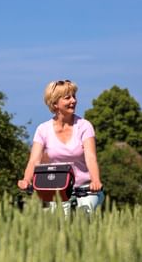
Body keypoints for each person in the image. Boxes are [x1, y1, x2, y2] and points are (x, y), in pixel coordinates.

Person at [18, 80, 104, 213]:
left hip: (85, 187)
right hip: (58, 187)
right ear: (54, 104)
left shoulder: (84, 126)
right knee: (57, 222)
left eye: (74, 96)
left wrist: (96, 181)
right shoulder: (43, 129)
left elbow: (91, 157)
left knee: (85, 214)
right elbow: (34, 160)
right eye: (67, 97)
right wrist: (26, 180)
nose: (73, 100)